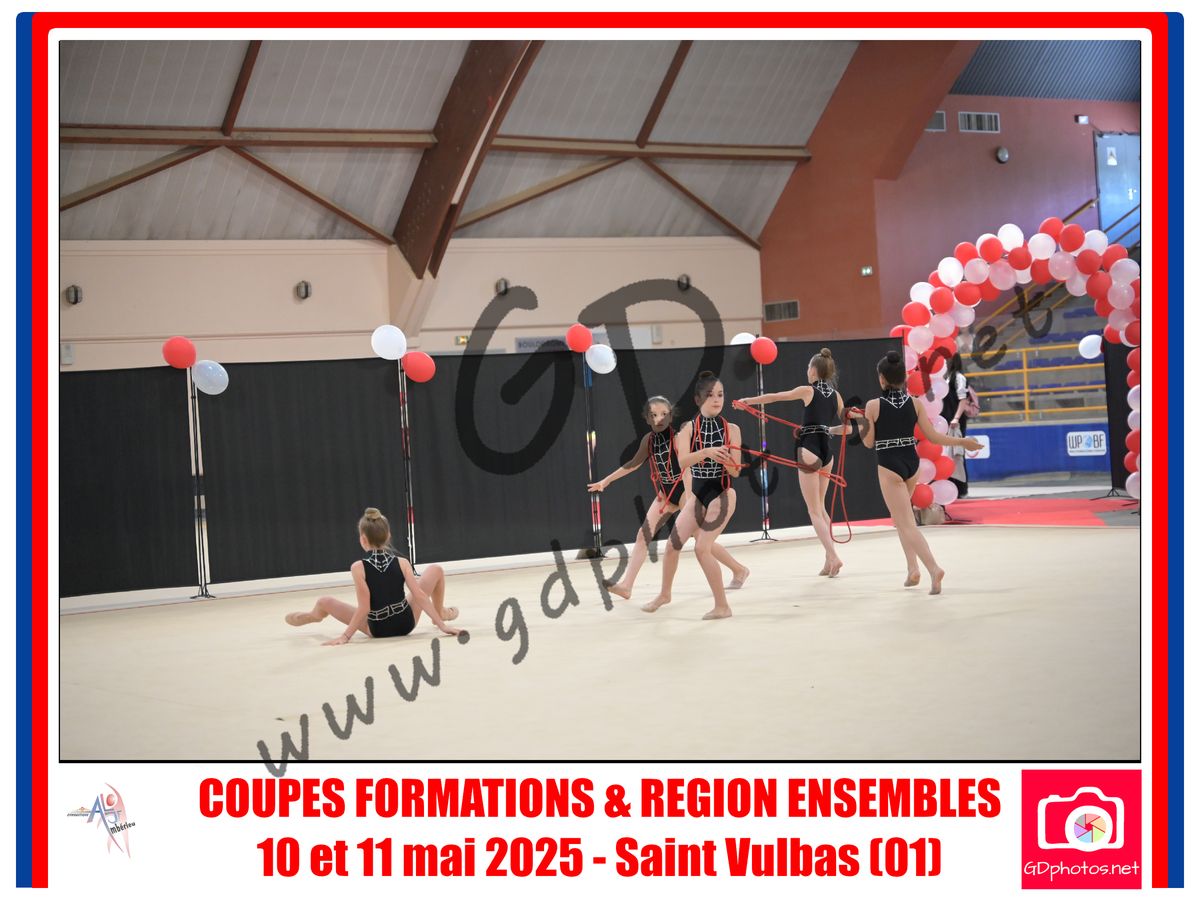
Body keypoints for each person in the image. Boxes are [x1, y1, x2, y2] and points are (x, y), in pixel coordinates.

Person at [849, 352, 982, 594]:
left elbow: (868, 443)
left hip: (889, 464)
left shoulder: (873, 405)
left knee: (906, 523)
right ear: (904, 379)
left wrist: (861, 421)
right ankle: (913, 570)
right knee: (903, 520)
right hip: (911, 463)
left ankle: (933, 568)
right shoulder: (915, 403)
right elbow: (934, 437)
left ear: (881, 379)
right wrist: (963, 442)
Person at [642, 372, 750, 620]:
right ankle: (665, 594)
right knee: (672, 545)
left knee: (703, 548)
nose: (717, 399)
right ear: (699, 399)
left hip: (723, 495)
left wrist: (728, 460)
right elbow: (681, 462)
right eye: (710, 395)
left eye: (720, 394)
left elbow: (735, 471)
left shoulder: (732, 429)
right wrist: (707, 452)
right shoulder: (689, 429)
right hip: (698, 497)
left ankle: (722, 606)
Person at [738, 347, 853, 577]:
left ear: (813, 371)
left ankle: (834, 557)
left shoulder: (807, 390)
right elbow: (848, 429)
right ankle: (828, 561)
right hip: (826, 452)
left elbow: (775, 397)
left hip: (809, 449)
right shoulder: (836, 396)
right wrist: (826, 429)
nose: (807, 371)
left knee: (814, 510)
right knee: (820, 507)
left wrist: (747, 401)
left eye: (808, 368)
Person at [284, 508, 460, 644]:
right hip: (405, 623)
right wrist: (443, 627)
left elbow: (365, 608)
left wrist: (345, 636)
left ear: (363, 539)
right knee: (435, 569)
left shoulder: (358, 568)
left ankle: (314, 616)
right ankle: (439, 614)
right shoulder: (402, 562)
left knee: (324, 601)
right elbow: (420, 596)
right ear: (388, 536)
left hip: (378, 629)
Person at [941, 352, 971, 497]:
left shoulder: (959, 378)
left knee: (957, 454)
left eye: (947, 359)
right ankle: (949, 487)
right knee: (946, 455)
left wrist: (956, 418)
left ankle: (960, 488)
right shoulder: (945, 377)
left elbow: (963, 400)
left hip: (955, 421)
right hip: (945, 420)